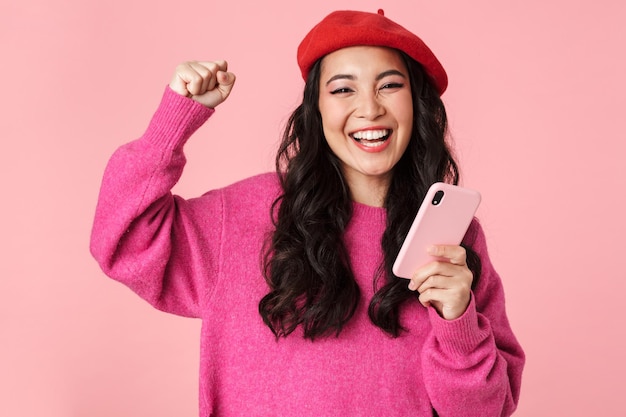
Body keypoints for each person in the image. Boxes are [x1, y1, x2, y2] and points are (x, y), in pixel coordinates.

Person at [90, 9, 525, 417]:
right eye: (342, 89)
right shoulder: (240, 216)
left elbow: (487, 409)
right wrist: (173, 122)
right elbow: (122, 240)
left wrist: (458, 320)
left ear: (418, 105)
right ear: (316, 110)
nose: (370, 108)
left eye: (390, 85)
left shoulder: (453, 239)